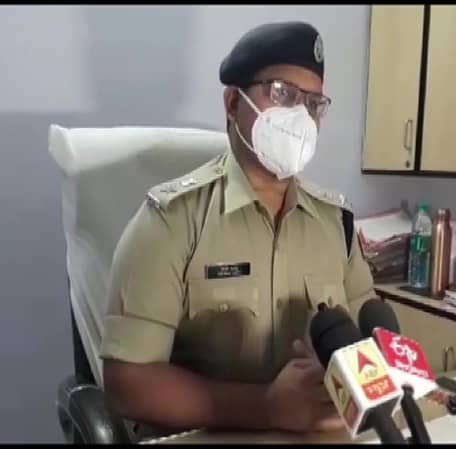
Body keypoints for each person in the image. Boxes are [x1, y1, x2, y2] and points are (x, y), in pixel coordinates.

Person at [100, 21, 377, 437]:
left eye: (314, 103)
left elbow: (370, 338)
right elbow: (127, 384)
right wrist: (265, 408)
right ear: (233, 102)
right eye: (282, 94)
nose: (301, 117)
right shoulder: (172, 221)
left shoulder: (336, 222)